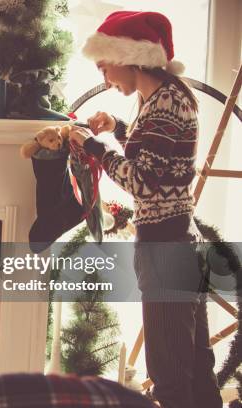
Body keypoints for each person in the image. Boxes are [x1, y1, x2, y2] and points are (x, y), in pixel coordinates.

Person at [67, 11, 222, 408]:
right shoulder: (163, 97)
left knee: (169, 373)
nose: (105, 78)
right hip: (179, 241)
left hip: (166, 248)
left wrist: (92, 146)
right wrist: (118, 126)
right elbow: (159, 157)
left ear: (128, 56)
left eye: (105, 66)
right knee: (195, 365)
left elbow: (143, 181)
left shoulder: (165, 102)